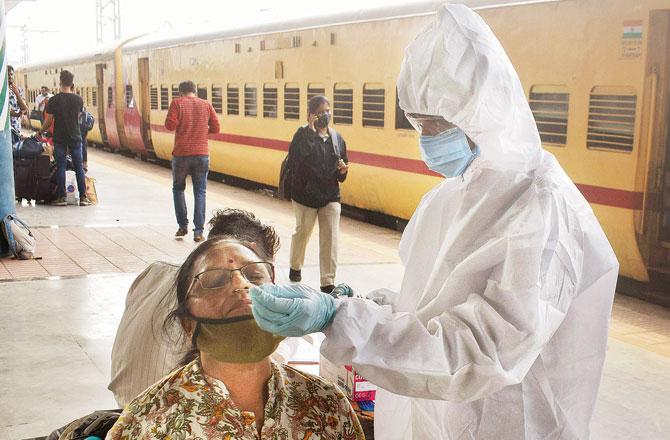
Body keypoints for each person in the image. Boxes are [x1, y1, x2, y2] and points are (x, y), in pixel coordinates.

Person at [250, 5, 619, 439]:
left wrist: (341, 320)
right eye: (418, 122)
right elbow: (425, 307)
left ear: (485, 114)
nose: (426, 137)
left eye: (438, 123)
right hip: (438, 420)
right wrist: (358, 305)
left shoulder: (541, 209)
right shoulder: (456, 193)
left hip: (511, 425)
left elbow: (482, 353)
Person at [106, 235, 365, 439]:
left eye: (255, 277)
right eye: (216, 280)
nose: (242, 284)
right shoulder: (146, 424)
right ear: (187, 325)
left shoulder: (326, 404)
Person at [109, 208, 301, 407]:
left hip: (123, 403)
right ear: (249, 249)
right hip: (168, 410)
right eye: (258, 272)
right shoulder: (203, 298)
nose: (245, 286)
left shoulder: (154, 270)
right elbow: (252, 363)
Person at [287, 95, 349, 293]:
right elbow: (297, 159)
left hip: (330, 195)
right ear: (311, 115)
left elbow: (342, 171)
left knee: (330, 237)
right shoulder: (301, 135)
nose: (326, 115)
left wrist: (343, 171)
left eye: (328, 110)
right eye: (321, 112)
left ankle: (327, 280)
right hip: (305, 196)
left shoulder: (337, 138)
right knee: (303, 232)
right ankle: (295, 266)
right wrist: (312, 132)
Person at [165, 80, 220, 242]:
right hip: (202, 154)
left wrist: (182, 124)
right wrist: (202, 131)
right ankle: (198, 232)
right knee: (200, 192)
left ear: (181, 92)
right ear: (195, 91)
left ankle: (182, 226)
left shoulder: (177, 103)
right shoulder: (206, 104)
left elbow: (170, 125)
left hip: (181, 154)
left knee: (178, 189)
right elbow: (216, 128)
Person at [41, 70, 92, 207]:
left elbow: (48, 121)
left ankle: (62, 197)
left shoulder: (54, 100)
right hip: (76, 137)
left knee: (61, 166)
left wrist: (40, 131)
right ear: (72, 84)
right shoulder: (78, 100)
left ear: (60, 82)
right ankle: (83, 197)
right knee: (79, 167)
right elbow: (80, 120)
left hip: (60, 138)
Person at [8, 65, 29, 143]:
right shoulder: (2, 91)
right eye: (7, 75)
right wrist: (18, 114)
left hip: (16, 130)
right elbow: (8, 112)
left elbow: (25, 110)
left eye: (11, 74)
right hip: (6, 131)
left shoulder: (18, 89)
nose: (10, 76)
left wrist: (17, 93)